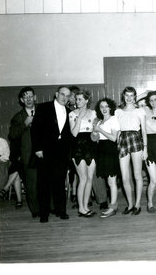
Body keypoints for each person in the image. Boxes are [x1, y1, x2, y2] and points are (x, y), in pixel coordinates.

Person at [31, 86, 73, 222]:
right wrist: (38, 149)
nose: (64, 98)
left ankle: (61, 210)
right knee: (44, 183)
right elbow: (35, 130)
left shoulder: (69, 111)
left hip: (61, 152)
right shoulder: (43, 108)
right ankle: (44, 213)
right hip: (45, 150)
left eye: (67, 96)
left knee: (60, 183)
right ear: (56, 94)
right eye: (62, 94)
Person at [7, 86, 39, 216]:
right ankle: (35, 210)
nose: (28, 99)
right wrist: (25, 123)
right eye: (25, 97)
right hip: (28, 155)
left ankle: (47, 208)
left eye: (30, 96)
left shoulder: (43, 112)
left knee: (45, 182)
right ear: (21, 100)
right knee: (31, 185)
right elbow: (13, 135)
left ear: (35, 97)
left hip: (44, 154)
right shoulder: (18, 117)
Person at [115, 86, 148, 216]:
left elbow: (144, 131)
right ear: (123, 96)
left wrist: (145, 149)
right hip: (122, 140)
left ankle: (137, 204)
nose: (129, 98)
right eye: (127, 95)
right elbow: (117, 130)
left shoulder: (140, 111)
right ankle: (129, 204)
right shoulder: (118, 111)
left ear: (135, 97)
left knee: (137, 175)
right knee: (124, 177)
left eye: (132, 96)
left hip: (135, 139)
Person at [69, 89, 97, 217]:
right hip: (78, 146)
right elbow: (74, 133)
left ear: (86, 100)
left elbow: (95, 131)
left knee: (90, 178)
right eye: (77, 99)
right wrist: (79, 117)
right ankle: (81, 208)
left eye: (80, 99)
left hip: (90, 146)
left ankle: (85, 206)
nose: (77, 101)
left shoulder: (93, 113)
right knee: (83, 178)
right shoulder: (72, 114)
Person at [92, 98, 121, 218]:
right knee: (107, 181)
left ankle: (113, 206)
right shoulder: (99, 121)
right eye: (101, 107)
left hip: (110, 150)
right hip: (101, 150)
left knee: (111, 181)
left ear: (110, 108)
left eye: (106, 106)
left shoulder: (113, 119)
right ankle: (112, 205)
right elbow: (95, 138)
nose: (104, 109)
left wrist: (99, 130)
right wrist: (94, 131)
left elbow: (114, 138)